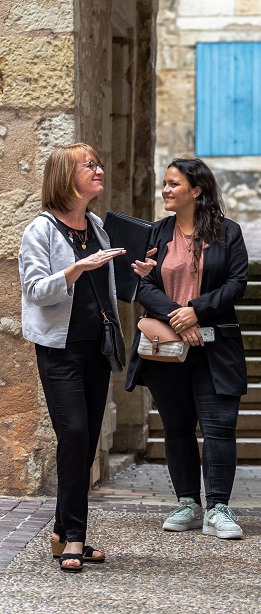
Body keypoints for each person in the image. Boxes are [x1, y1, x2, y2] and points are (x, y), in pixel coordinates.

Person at [19, 143, 155, 573]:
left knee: (86, 440)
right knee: (74, 434)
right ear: (65, 176)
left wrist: (135, 276)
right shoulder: (40, 231)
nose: (99, 170)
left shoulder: (96, 226)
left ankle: (65, 533)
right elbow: (36, 291)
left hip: (98, 348)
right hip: (59, 350)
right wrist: (78, 267)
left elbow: (109, 288)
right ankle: (74, 536)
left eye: (98, 162)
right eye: (89, 165)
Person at [126, 157, 248, 539]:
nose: (165, 190)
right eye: (164, 183)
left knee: (219, 427)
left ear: (196, 190)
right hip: (167, 347)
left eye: (173, 184)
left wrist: (196, 312)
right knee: (177, 428)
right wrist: (178, 318)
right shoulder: (156, 233)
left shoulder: (229, 233)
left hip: (216, 345)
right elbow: (140, 285)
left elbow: (236, 284)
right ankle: (187, 503)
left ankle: (219, 508)